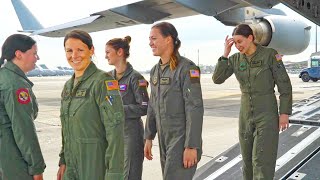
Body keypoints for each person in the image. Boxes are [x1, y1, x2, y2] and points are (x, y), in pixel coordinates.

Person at [212, 24, 292, 179]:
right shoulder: (235, 59)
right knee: (247, 163)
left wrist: (284, 113)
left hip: (266, 114)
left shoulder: (270, 55)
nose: (237, 46)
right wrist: (225, 54)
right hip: (245, 116)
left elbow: (284, 85)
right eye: (234, 43)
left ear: (250, 38)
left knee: (262, 161)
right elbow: (217, 79)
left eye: (240, 41)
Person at [56, 30, 125, 180]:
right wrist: (63, 160)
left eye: (80, 50)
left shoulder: (103, 82)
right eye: (69, 50)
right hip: (71, 168)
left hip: (95, 167)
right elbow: (66, 129)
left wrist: (115, 174)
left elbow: (115, 132)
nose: (74, 55)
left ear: (91, 50)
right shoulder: (68, 87)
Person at [144, 22, 204, 180]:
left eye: (154, 38)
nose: (150, 42)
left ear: (168, 39)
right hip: (165, 140)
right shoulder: (155, 71)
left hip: (181, 140)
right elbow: (152, 106)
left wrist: (191, 145)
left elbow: (195, 108)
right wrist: (149, 137)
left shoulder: (187, 69)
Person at [0, 34, 46, 180]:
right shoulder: (15, 85)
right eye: (34, 53)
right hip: (14, 163)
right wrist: (36, 167)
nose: (37, 58)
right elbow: (24, 130)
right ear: (19, 54)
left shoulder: (4, 77)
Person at [105, 36, 149, 180]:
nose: (105, 56)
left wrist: (118, 109)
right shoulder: (108, 78)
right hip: (113, 135)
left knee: (130, 174)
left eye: (108, 52)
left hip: (131, 135)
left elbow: (144, 107)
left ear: (120, 52)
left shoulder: (136, 78)